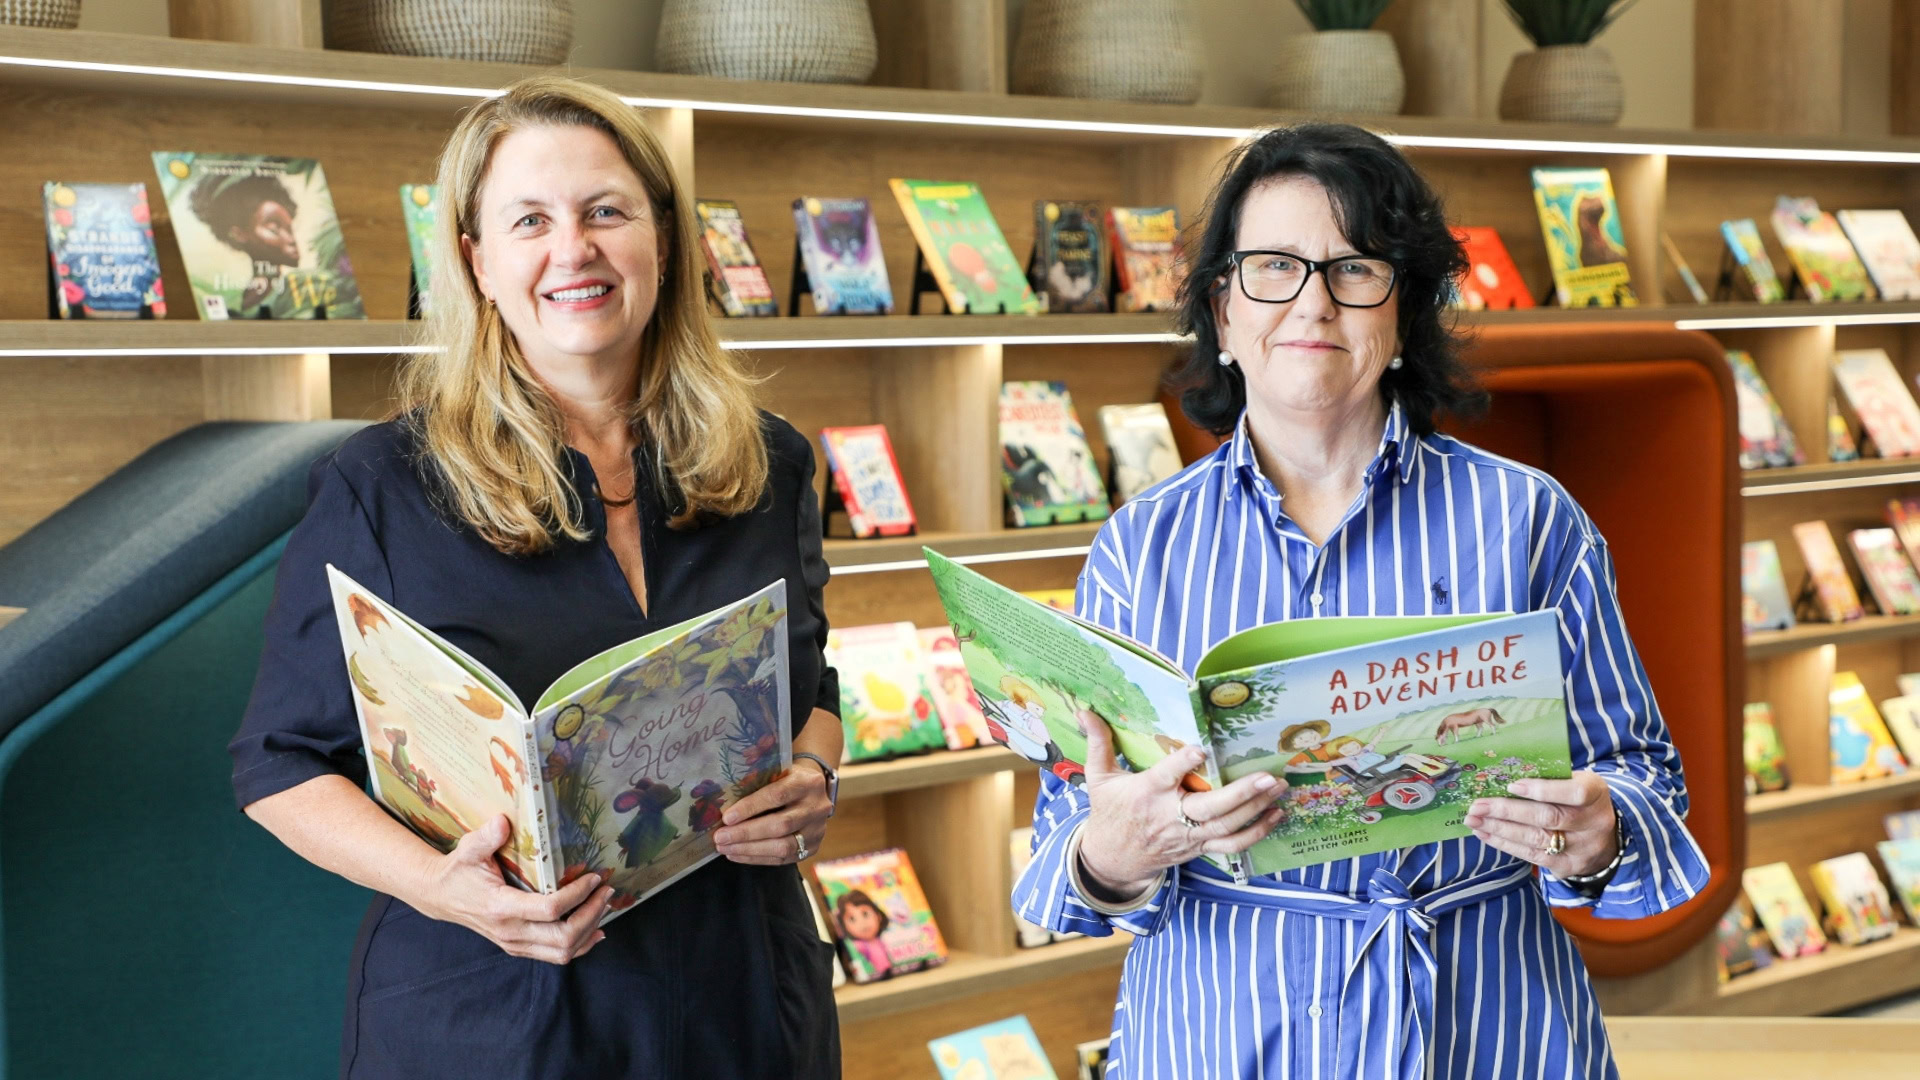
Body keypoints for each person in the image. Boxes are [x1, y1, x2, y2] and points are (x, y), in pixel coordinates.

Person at [1010, 123, 1711, 1080]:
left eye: (1354, 269)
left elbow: (1641, 772)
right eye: (1273, 267)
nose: (1313, 301)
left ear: (1405, 313)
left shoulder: (1528, 518)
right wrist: (1113, 849)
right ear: (1222, 313)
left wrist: (1602, 833)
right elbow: (1066, 832)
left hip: (1487, 1023)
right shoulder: (1141, 547)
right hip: (1220, 1031)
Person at [228, 76, 843, 1079]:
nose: (574, 249)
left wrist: (814, 780)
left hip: (743, 1005)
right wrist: (441, 886)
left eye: (606, 212)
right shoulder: (382, 485)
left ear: (663, 238)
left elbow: (812, 693)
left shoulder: (769, 462)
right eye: (530, 221)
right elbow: (279, 763)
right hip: (500, 1017)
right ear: (478, 260)